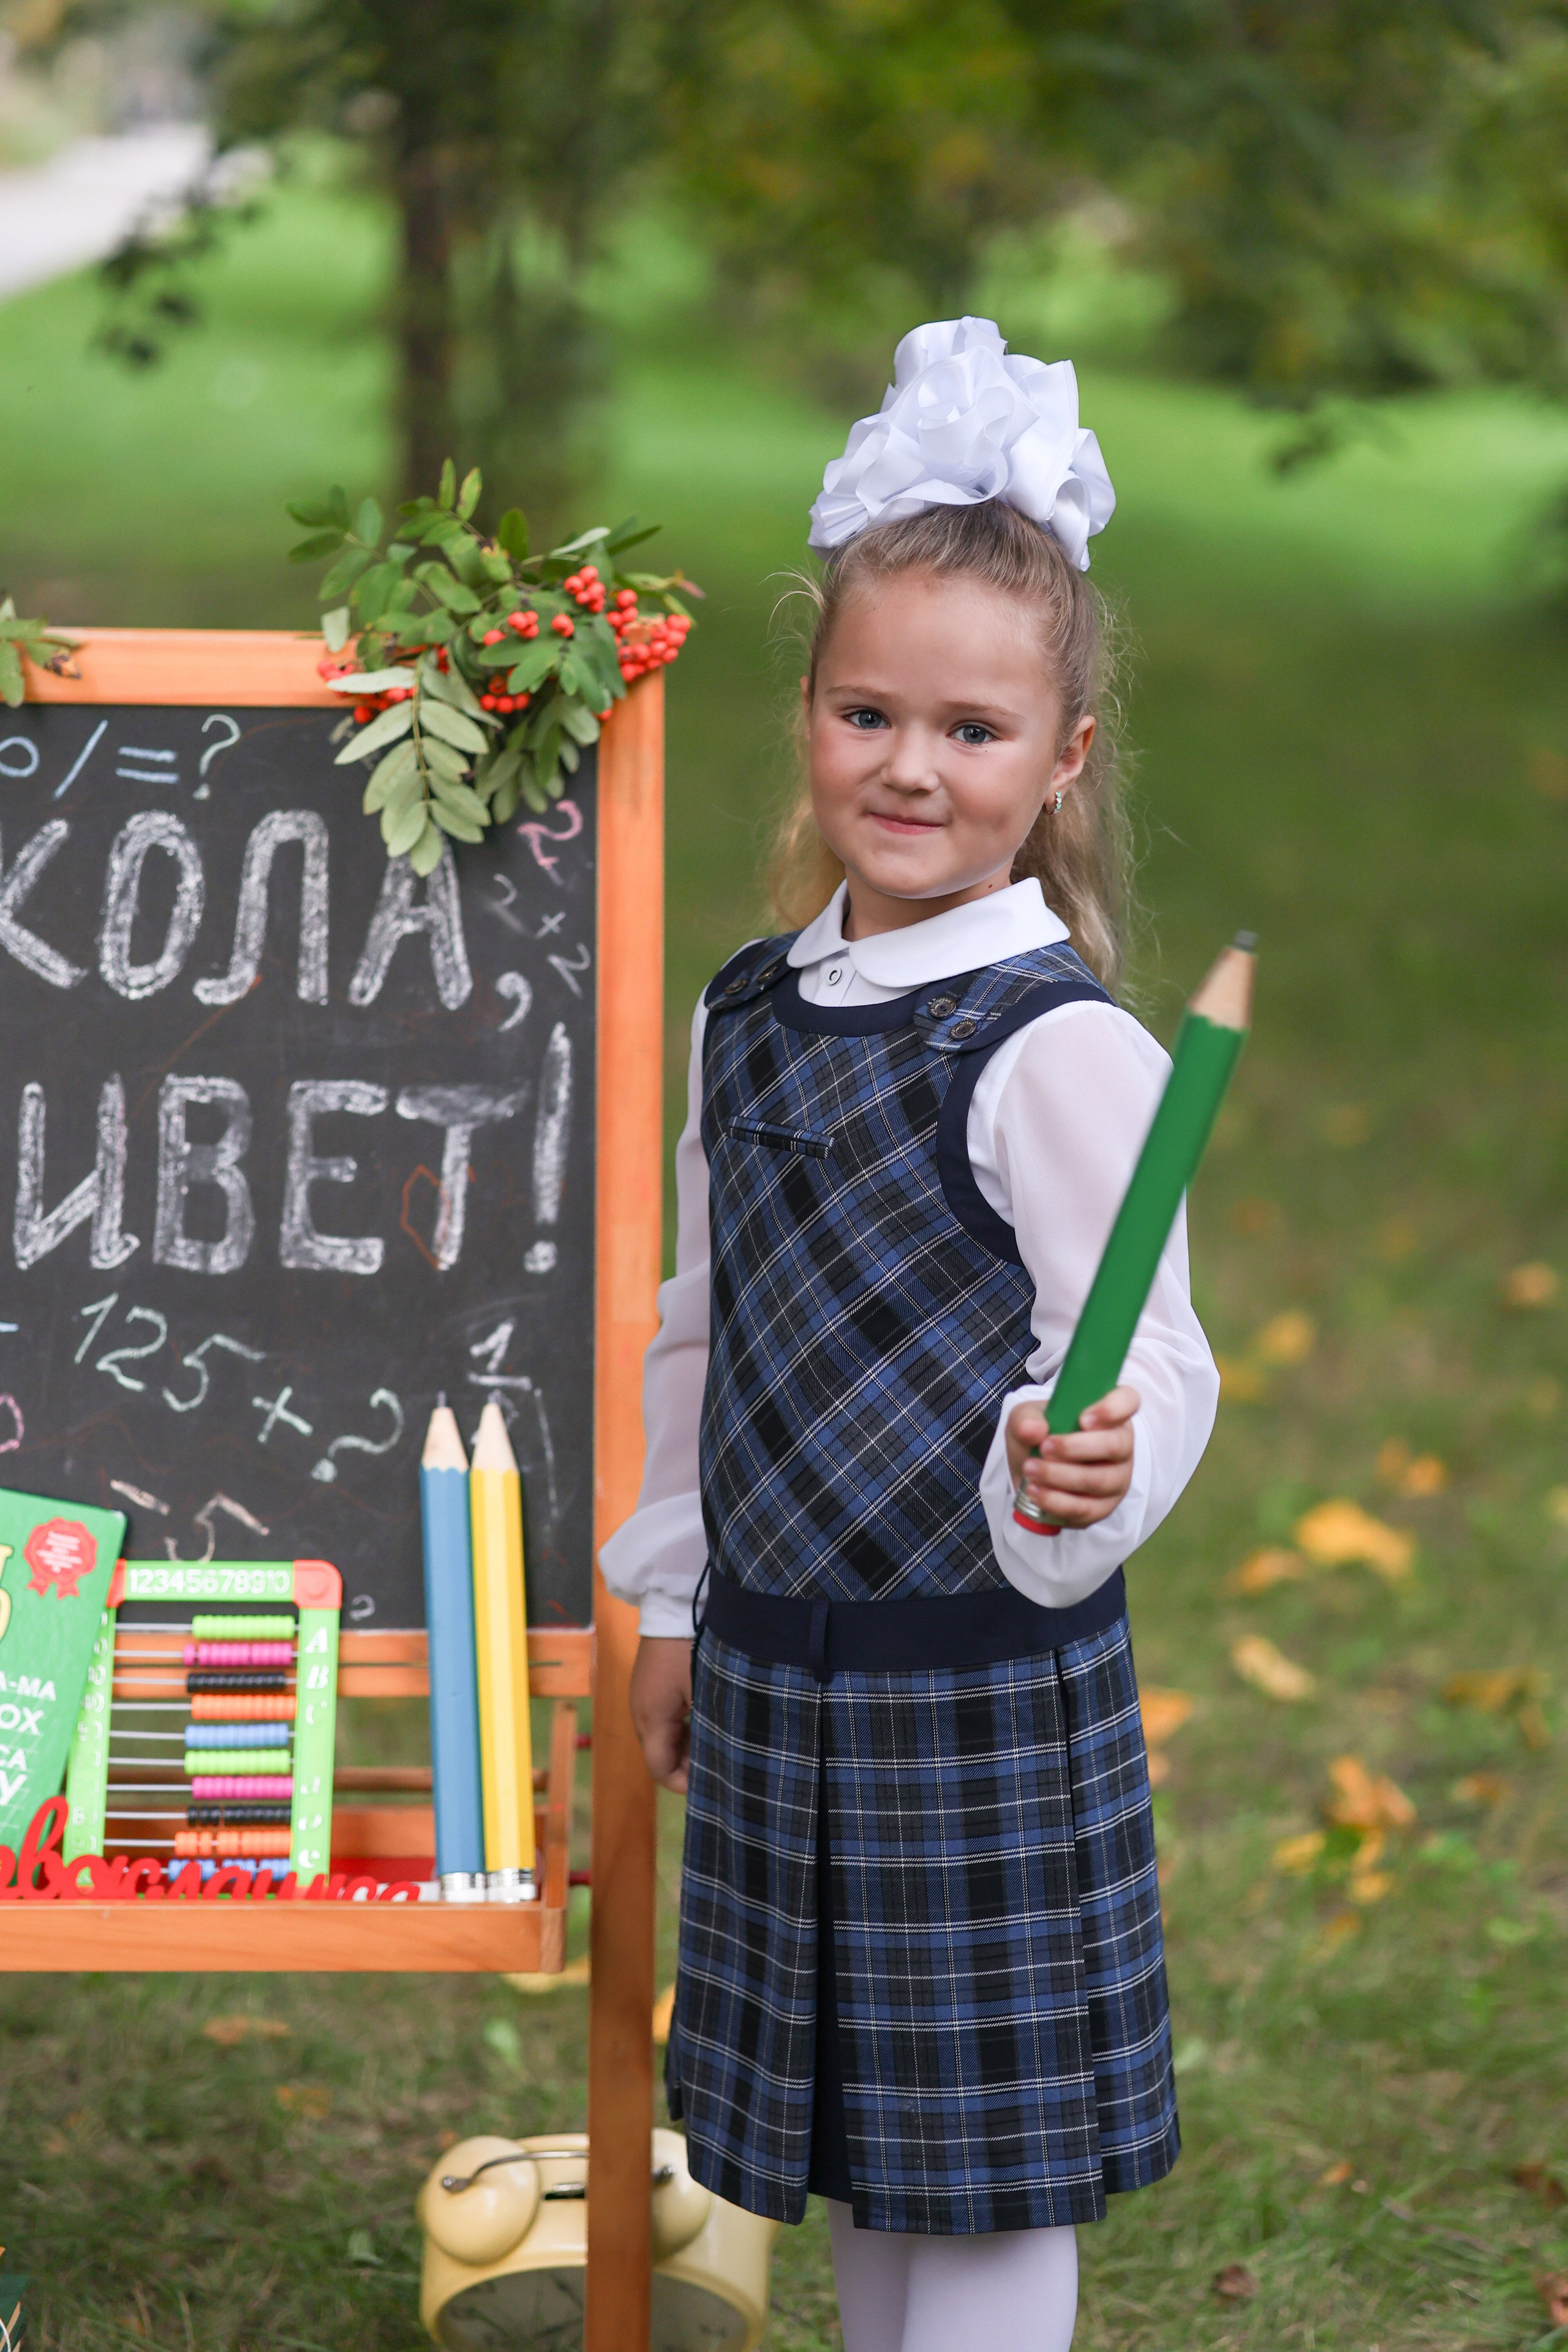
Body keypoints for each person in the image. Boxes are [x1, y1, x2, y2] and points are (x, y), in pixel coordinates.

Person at [600, 315, 1221, 2352]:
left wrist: (1093, 1457)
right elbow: (707, 1336)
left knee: (982, 2155)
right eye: (870, 712)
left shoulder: (1063, 1053)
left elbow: (1154, 1354)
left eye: (970, 730)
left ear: (1063, 762)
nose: (911, 766)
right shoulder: (750, 1008)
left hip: (972, 1678)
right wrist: (675, 1607)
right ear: (809, 714)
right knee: (865, 2131)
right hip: (787, 1670)